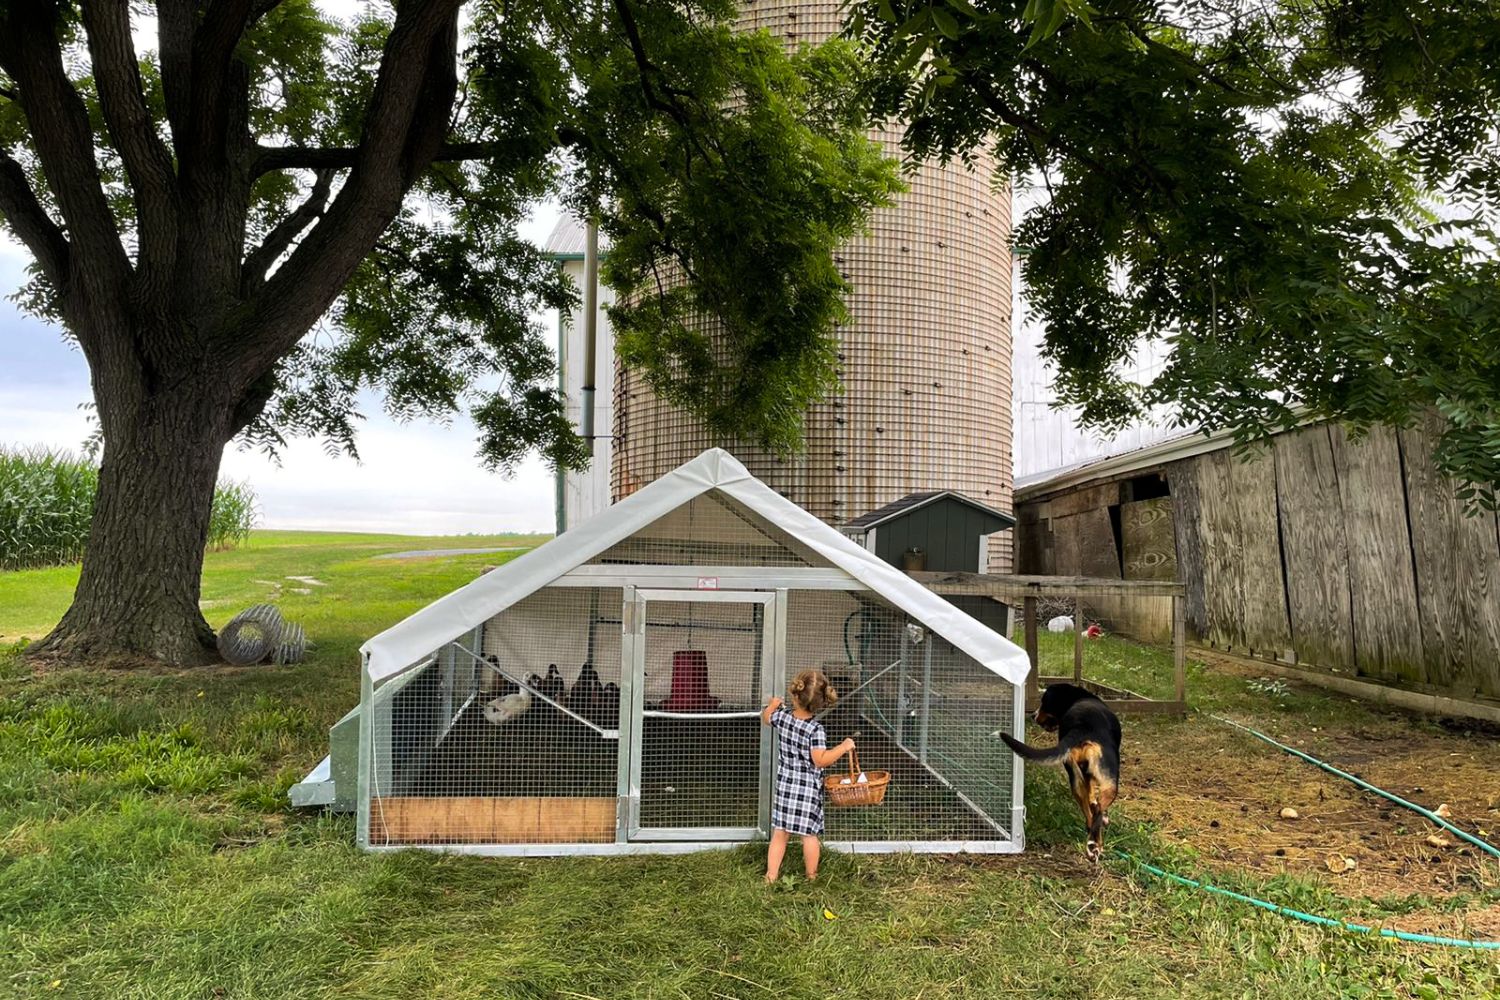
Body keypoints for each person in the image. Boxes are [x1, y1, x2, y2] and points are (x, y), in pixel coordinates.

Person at [761, 669, 855, 883]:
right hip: (807, 790)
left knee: (780, 833)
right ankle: (811, 877)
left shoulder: (783, 717)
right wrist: (843, 747)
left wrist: (773, 705)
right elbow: (820, 760)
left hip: (785, 785)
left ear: (795, 695)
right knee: (808, 835)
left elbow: (766, 718)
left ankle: (771, 875)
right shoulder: (815, 730)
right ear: (821, 702)